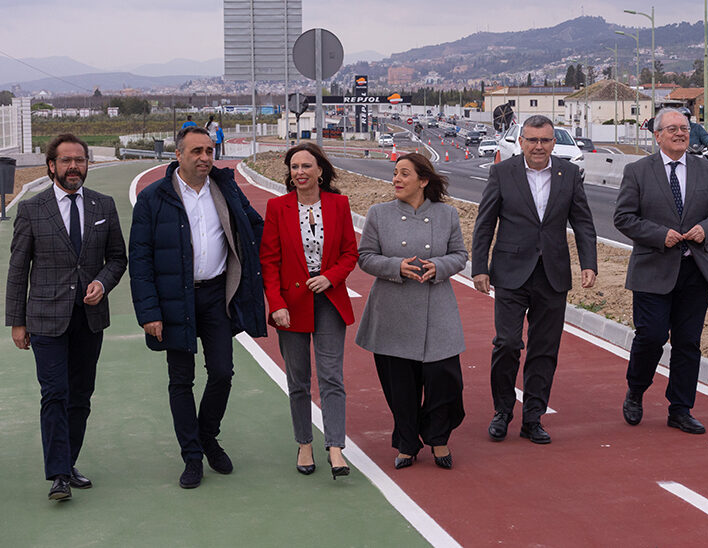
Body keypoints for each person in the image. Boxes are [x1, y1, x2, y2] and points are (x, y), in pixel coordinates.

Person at [129, 126, 266, 488]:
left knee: (222, 372)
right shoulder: (154, 199)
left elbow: (255, 227)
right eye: (197, 152)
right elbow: (139, 259)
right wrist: (149, 313)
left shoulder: (225, 188)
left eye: (209, 150)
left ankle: (207, 435)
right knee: (181, 380)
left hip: (217, 296)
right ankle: (192, 456)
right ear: (179, 156)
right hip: (174, 300)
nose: (205, 157)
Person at [6, 134, 127, 501]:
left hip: (88, 319)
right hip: (45, 317)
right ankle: (58, 474)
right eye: (67, 160)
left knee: (81, 396)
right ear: (51, 166)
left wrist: (102, 284)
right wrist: (17, 321)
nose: (74, 166)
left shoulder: (102, 204)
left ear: (88, 164)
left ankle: (68, 461)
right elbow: (17, 268)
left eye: (81, 160)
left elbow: (118, 258)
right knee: (54, 392)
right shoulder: (32, 209)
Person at [471, 115, 598, 445]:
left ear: (553, 142)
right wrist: (479, 267)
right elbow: (485, 224)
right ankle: (502, 411)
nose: (538, 146)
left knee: (545, 349)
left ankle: (533, 418)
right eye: (532, 140)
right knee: (508, 343)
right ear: (521, 142)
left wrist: (589, 264)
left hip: (553, 274)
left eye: (545, 140)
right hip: (511, 272)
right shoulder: (502, 173)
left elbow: (583, 223)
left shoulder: (569, 174)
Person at [614, 108, 708, 434]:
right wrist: (658, 235)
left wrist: (706, 230)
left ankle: (680, 409)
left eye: (684, 127)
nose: (680, 133)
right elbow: (623, 217)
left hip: (694, 271)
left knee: (687, 343)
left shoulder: (707, 171)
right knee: (651, 336)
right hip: (653, 269)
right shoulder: (638, 171)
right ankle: (636, 391)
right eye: (672, 129)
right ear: (657, 135)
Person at [356, 153, 467, 469]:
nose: (397, 179)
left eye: (404, 174)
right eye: (395, 174)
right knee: (400, 385)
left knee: (444, 380)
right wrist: (397, 266)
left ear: (423, 180)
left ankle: (438, 437)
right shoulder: (379, 214)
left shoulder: (447, 215)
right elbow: (365, 257)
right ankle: (406, 442)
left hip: (438, 309)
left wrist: (439, 266)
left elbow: (459, 255)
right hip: (393, 311)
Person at [259, 143, 358, 480]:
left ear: (320, 170)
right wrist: (277, 305)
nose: (299, 172)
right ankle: (304, 442)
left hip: (329, 301)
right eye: (294, 166)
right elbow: (269, 262)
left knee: (332, 376)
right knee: (298, 380)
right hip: (291, 306)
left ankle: (335, 448)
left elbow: (349, 253)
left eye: (306, 166)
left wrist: (330, 278)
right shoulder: (277, 207)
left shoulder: (339, 204)